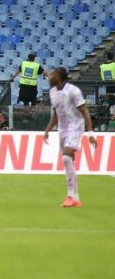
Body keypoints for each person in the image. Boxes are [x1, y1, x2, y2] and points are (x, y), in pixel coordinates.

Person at [44, 67, 97, 207]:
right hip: (62, 129)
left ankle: (70, 196)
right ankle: (76, 197)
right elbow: (56, 113)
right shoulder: (52, 92)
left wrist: (90, 134)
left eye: (53, 74)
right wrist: (48, 130)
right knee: (68, 161)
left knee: (66, 157)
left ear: (60, 77)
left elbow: (85, 112)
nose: (49, 76)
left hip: (75, 127)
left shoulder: (73, 91)